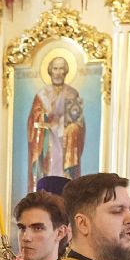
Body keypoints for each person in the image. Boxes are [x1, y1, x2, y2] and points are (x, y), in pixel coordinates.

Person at [26, 55, 86, 191]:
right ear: (50, 71)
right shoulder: (42, 94)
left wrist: (66, 127)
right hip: (47, 138)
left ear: (65, 71)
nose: (58, 72)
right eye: (55, 69)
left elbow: (77, 122)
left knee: (73, 130)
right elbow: (34, 118)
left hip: (64, 139)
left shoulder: (72, 93)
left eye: (61, 69)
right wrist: (45, 118)